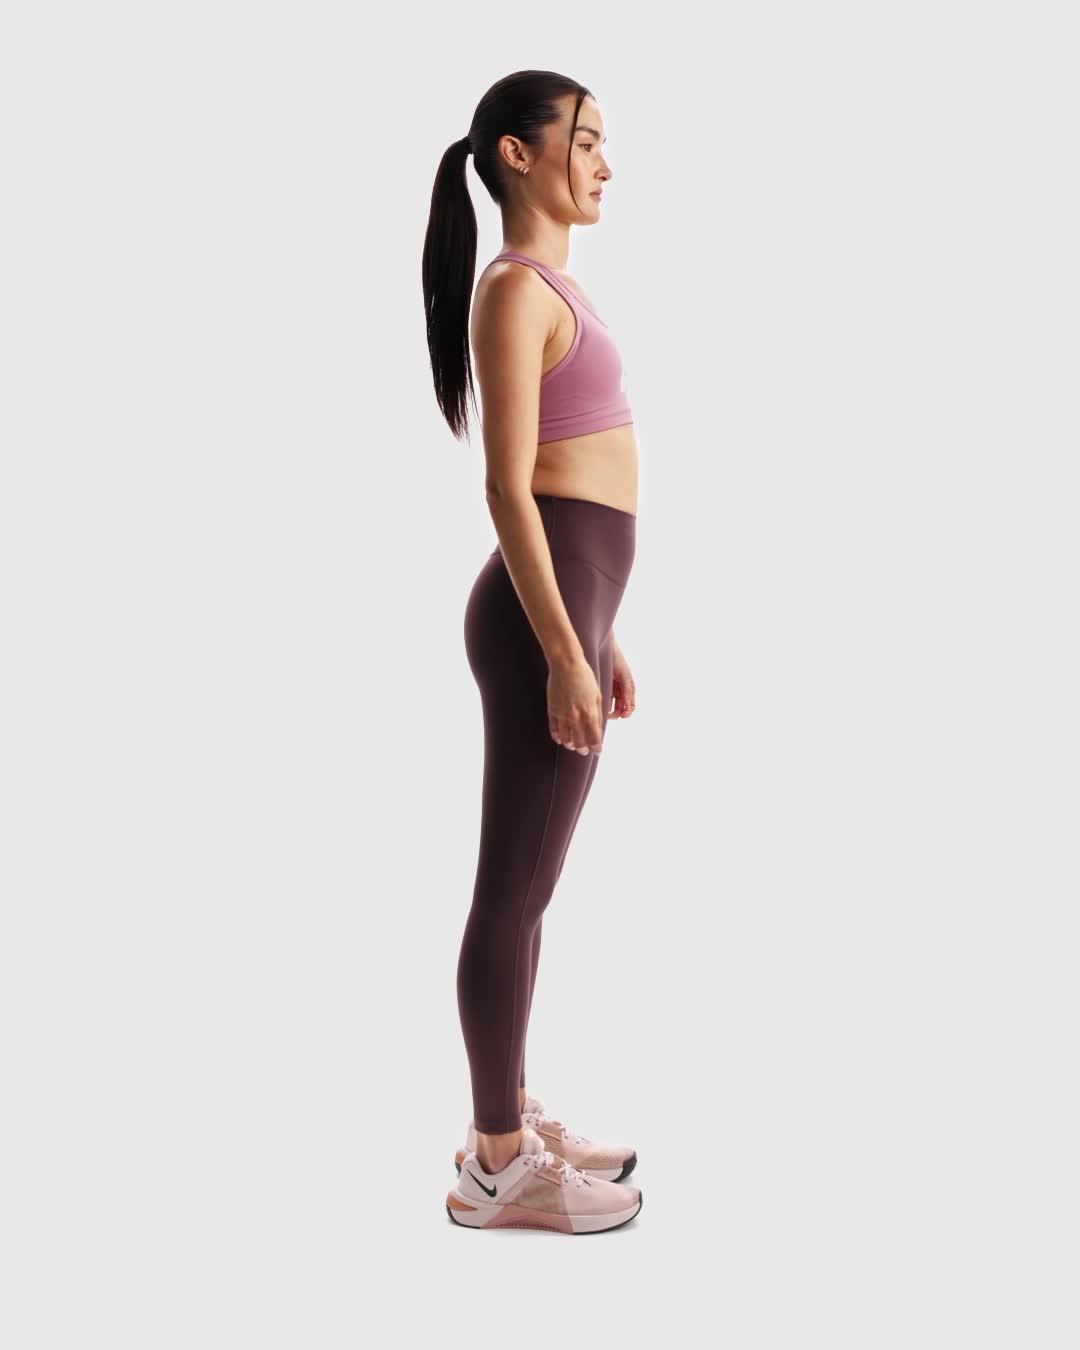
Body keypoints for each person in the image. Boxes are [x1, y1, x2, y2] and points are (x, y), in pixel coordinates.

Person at [421, 71, 644, 1234]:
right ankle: (497, 1165)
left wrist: (598, 635)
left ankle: (501, 1119)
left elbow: (571, 477)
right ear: (517, 153)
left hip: (564, 608)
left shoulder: (554, 288)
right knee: (508, 892)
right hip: (533, 617)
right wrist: (562, 647)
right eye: (585, 140)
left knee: (531, 891)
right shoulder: (513, 291)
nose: (605, 163)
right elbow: (512, 490)